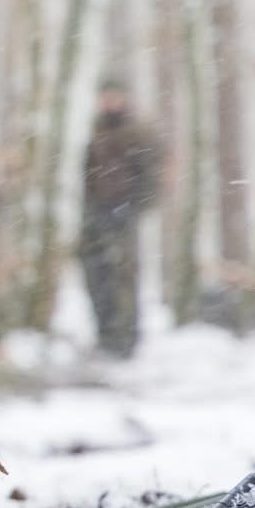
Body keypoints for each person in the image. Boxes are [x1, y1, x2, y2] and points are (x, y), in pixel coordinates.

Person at [80, 80, 161, 358]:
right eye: (105, 96)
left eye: (114, 96)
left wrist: (132, 207)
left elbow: (151, 178)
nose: (109, 101)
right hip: (97, 214)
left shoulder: (139, 133)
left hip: (124, 216)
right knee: (97, 275)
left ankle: (126, 339)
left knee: (123, 275)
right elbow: (88, 173)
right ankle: (105, 335)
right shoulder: (96, 129)